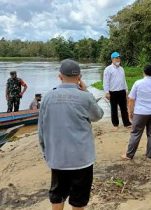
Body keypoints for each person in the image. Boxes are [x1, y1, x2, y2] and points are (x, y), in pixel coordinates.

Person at [38, 59, 104, 210]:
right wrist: (86, 91)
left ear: (59, 76)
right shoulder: (85, 97)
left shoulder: (47, 97)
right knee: (79, 200)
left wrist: (46, 153)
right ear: (79, 77)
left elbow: (41, 129)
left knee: (57, 196)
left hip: (57, 158)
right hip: (82, 159)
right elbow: (98, 115)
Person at [103, 52, 131, 128]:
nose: (118, 59)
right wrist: (106, 92)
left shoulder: (121, 69)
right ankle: (115, 124)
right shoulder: (108, 69)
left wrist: (126, 90)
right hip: (112, 92)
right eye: (116, 58)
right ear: (112, 59)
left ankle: (126, 123)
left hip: (122, 91)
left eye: (119, 58)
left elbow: (124, 80)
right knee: (114, 109)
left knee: (124, 108)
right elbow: (106, 81)